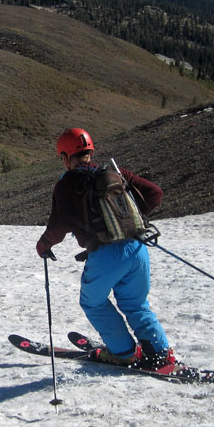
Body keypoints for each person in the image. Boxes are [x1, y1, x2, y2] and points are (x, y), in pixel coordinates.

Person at [35, 128, 177, 371]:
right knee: (136, 304)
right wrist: (131, 221)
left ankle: (123, 353)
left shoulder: (67, 185)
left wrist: (43, 246)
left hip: (105, 255)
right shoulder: (113, 173)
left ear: (66, 156)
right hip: (137, 247)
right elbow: (155, 193)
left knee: (93, 302)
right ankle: (159, 354)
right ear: (89, 152)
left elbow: (59, 224)